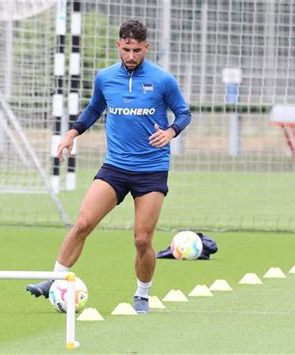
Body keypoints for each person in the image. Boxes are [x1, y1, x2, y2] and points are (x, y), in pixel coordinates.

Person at [27, 19, 191, 313]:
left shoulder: (163, 80)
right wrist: (72, 133)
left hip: (151, 170)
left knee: (142, 239)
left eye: (137, 50)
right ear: (118, 45)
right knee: (83, 223)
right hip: (114, 167)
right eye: (126, 49)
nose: (131, 56)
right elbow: (93, 109)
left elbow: (183, 113)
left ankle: (142, 294)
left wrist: (171, 132)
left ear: (146, 48)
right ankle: (53, 280)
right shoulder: (105, 78)